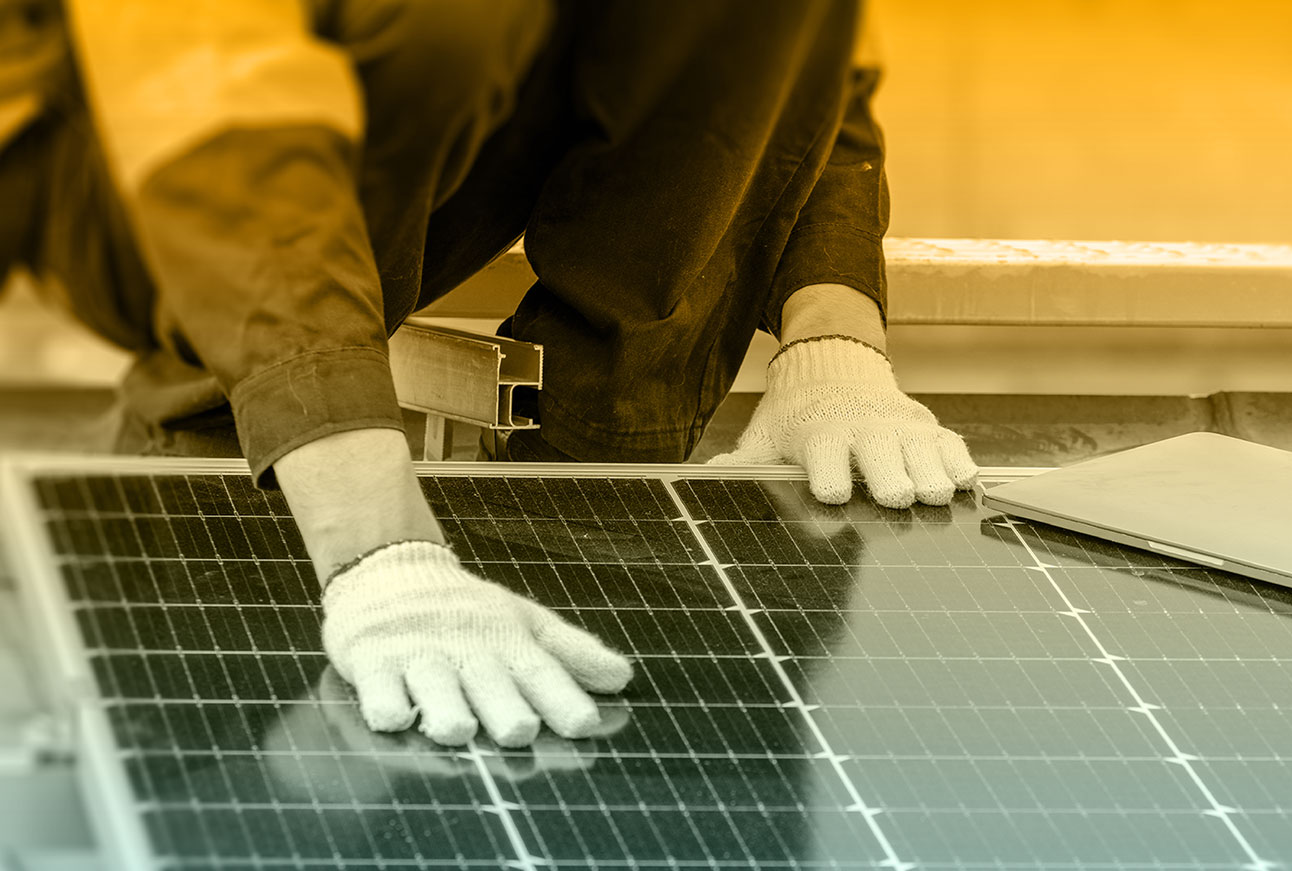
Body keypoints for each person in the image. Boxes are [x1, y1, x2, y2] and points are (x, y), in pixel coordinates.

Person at [0, 0, 978, 747]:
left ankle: (580, 497)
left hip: (442, 95)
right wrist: (375, 548)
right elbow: (220, 116)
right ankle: (223, 516)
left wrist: (831, 344)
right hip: (115, 128)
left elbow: (806, 59)